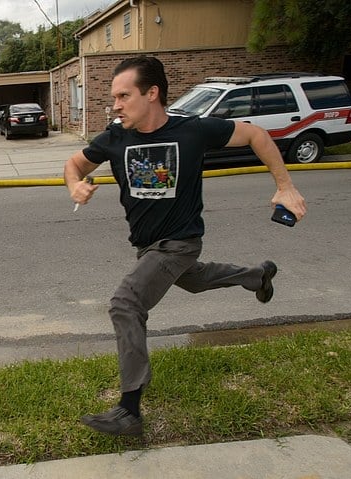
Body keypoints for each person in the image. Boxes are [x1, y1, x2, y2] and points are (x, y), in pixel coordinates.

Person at [63, 56, 307, 436]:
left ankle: (130, 409)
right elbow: (74, 164)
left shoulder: (192, 131)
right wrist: (74, 183)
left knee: (126, 303)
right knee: (194, 280)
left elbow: (257, 134)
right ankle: (258, 276)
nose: (116, 105)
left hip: (179, 242)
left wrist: (285, 186)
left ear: (152, 93)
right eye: (115, 97)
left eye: (124, 95)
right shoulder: (115, 137)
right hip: (148, 247)